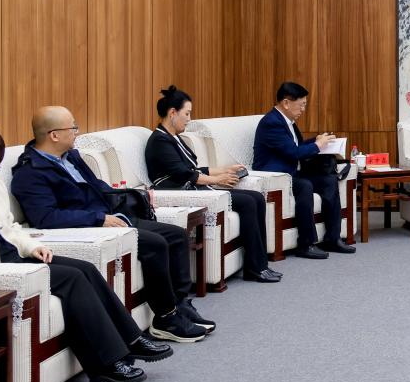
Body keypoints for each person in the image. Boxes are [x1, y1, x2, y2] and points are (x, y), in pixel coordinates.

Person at [0, 126, 171, 382]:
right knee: (72, 279)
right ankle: (107, 364)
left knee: (86, 268)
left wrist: (32, 246)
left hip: (15, 257)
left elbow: (10, 228)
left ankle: (132, 339)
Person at [10, 106, 211, 344]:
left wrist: (128, 197)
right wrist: (99, 219)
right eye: (73, 127)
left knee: (176, 235)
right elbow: (46, 217)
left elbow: (97, 185)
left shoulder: (71, 157)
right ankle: (166, 319)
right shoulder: (30, 172)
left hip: (109, 217)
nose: (77, 132)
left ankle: (178, 304)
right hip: (90, 226)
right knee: (155, 243)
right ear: (54, 135)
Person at [146, 85, 279, 282]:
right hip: (181, 192)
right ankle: (254, 268)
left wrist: (225, 170)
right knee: (248, 202)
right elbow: (185, 174)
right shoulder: (159, 141)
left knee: (257, 198)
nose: (189, 119)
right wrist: (218, 180)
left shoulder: (173, 138)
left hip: (193, 186)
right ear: (172, 113)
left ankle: (261, 263)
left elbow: (194, 169)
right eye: (187, 114)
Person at [252, 81, 354, 259]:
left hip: (292, 173)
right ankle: (306, 244)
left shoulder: (287, 122)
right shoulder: (271, 123)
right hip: (277, 177)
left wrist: (317, 140)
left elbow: (295, 146)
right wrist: (317, 145)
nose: (303, 109)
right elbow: (293, 152)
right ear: (286, 103)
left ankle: (332, 238)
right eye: (301, 105)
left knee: (329, 181)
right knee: (305, 185)